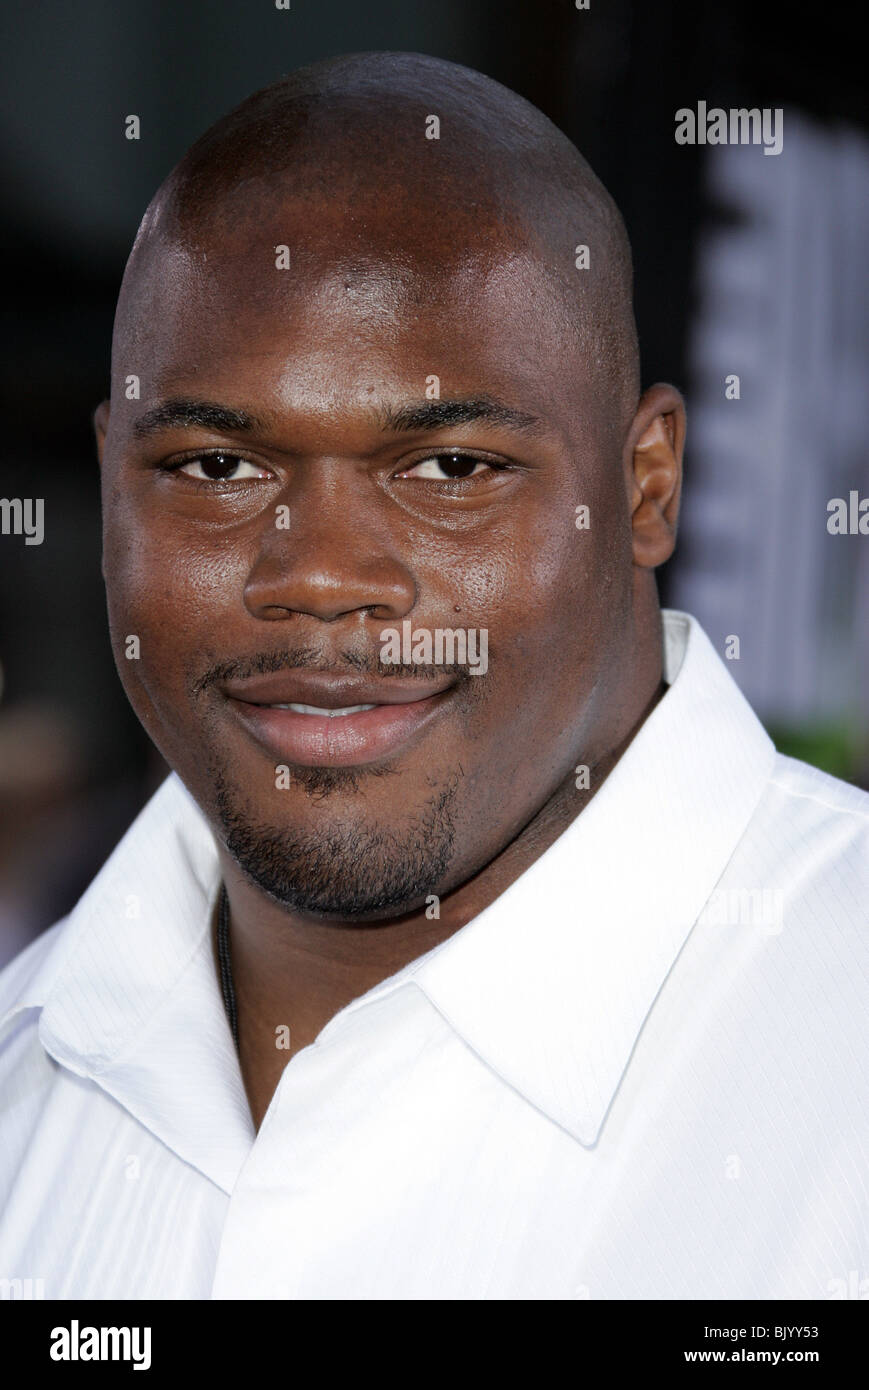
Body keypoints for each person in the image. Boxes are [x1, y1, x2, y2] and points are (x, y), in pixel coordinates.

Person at [0, 51, 865, 1301]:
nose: (319, 576)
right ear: (108, 485)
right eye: (212, 468)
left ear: (645, 485)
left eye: (450, 470)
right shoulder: (29, 1071)